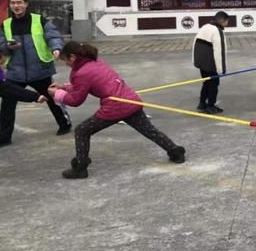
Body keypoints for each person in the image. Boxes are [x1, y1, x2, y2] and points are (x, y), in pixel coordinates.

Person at [48, 42, 185, 179]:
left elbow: (76, 100)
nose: (66, 64)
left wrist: (57, 94)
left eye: (65, 60)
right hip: (130, 100)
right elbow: (83, 86)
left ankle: (80, 168)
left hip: (114, 106)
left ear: (72, 57)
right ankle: (175, 151)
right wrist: (64, 87)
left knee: (82, 131)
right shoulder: (95, 62)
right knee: (149, 130)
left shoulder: (81, 73)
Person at [0, 0, 71, 147]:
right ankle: (4, 137)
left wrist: (56, 48)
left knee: (53, 98)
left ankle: (65, 124)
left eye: (19, 2)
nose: (16, 6)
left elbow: (53, 35)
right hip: (16, 72)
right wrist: (8, 47)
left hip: (39, 69)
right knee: (7, 104)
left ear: (26, 4)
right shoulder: (5, 24)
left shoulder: (40, 20)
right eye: (13, 3)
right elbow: (1, 44)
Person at [193, 11, 230, 114]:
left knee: (206, 83)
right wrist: (221, 69)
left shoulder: (205, 26)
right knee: (214, 83)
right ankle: (211, 105)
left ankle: (202, 104)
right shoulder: (217, 31)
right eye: (227, 21)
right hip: (210, 63)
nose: (227, 24)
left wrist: (195, 61)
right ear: (223, 21)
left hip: (201, 62)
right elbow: (219, 52)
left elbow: (195, 44)